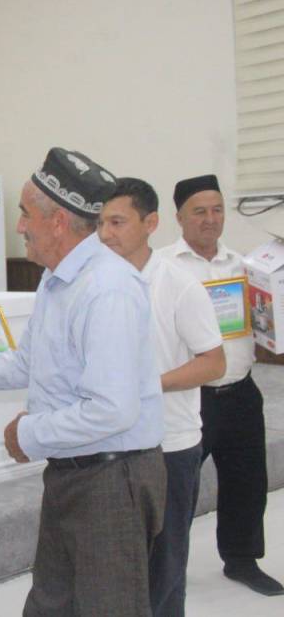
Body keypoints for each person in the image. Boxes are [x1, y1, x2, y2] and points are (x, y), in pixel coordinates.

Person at [0, 148, 167, 616]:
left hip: (111, 480)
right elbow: (26, 363)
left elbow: (112, 410)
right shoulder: (56, 280)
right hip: (73, 471)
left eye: (25, 214)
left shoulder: (108, 289)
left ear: (58, 221)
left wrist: (28, 433)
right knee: (50, 604)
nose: (19, 226)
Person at [98, 177, 226, 616]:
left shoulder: (178, 285)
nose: (106, 233)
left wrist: (151, 385)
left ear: (150, 223)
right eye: (101, 223)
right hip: (111, 446)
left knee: (165, 568)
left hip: (170, 446)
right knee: (117, 567)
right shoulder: (95, 281)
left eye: (117, 222)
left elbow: (214, 363)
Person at [158, 174, 284, 597]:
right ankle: (166, 569)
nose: (210, 219)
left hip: (241, 391)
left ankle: (242, 560)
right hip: (189, 398)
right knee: (177, 488)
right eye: (199, 211)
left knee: (247, 480)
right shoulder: (162, 267)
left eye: (217, 210)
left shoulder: (244, 266)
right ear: (179, 217)